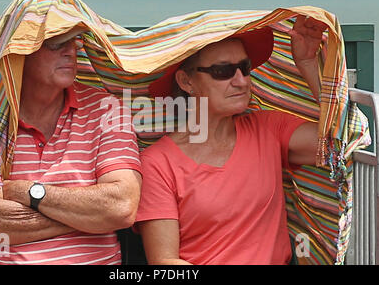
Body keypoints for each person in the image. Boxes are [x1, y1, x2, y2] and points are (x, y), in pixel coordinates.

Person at [134, 15, 328, 265]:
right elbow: (164, 263)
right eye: (222, 71)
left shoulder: (268, 129)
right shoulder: (157, 164)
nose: (241, 81)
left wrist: (308, 63)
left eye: (244, 69)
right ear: (186, 81)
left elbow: (339, 144)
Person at [0, 28, 142, 265]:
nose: (71, 52)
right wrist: (87, 217)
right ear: (18, 52)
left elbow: (121, 207)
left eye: (74, 42)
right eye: (56, 44)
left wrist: (26, 191)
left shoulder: (106, 110)